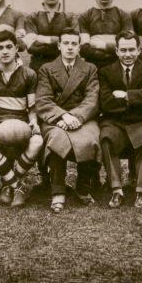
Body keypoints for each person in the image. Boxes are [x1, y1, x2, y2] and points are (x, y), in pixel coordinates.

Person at [35, 28, 101, 213]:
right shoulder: (46, 69)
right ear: (59, 46)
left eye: (74, 43)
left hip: (83, 118)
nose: (70, 48)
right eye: (66, 43)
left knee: (90, 138)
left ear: (79, 46)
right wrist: (63, 116)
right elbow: (43, 100)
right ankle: (58, 191)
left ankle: (83, 187)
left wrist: (77, 117)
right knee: (58, 138)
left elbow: (92, 99)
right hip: (56, 118)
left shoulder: (89, 69)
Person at [24, 0, 78, 191]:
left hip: (65, 71)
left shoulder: (70, 17)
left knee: (63, 115)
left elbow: (73, 41)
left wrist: (43, 40)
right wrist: (56, 40)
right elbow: (30, 46)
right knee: (42, 118)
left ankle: (70, 171)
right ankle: (43, 173)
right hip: (38, 71)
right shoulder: (32, 18)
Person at [98, 30, 142, 209]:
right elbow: (105, 102)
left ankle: (141, 191)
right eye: (124, 50)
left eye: (132, 50)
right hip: (115, 121)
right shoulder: (105, 72)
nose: (128, 55)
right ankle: (116, 189)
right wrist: (138, 95)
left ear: (139, 50)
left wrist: (124, 95)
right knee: (106, 137)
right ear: (117, 51)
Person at [0, 31, 44, 207]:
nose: (5, 51)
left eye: (9, 47)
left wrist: (34, 122)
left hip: (21, 122)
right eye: (0, 48)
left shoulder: (29, 74)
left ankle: (8, 184)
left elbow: (32, 108)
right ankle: (16, 186)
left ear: (17, 49)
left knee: (37, 141)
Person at [78, 0, 133, 67]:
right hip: (93, 66)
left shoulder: (124, 16)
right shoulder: (85, 16)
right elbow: (84, 49)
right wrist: (112, 48)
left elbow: (126, 46)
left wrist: (99, 44)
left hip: (118, 67)